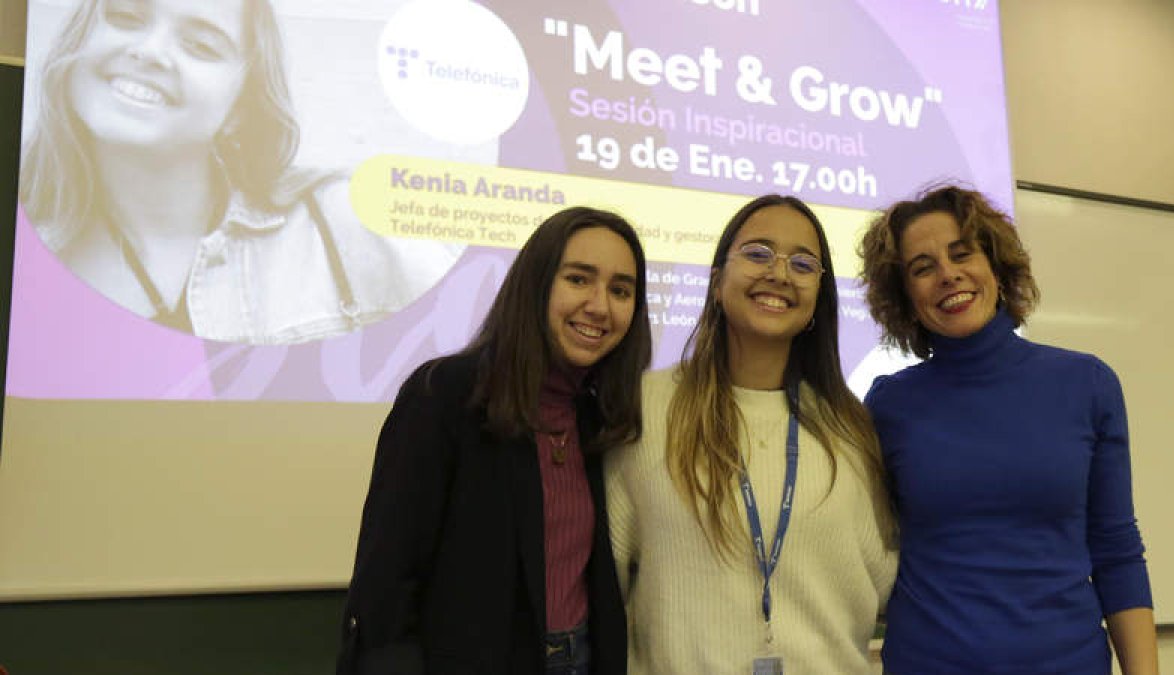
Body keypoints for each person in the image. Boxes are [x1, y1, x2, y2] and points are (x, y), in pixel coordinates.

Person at [19, 0, 461, 344]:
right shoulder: (27, 239)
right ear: (76, 48)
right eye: (126, 18)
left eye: (202, 46)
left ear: (241, 109)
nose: (149, 52)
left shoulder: (346, 222)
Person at [858, 184, 1158, 674]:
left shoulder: (1087, 384)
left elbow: (1116, 550)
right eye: (922, 267)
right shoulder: (888, 404)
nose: (948, 274)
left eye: (962, 254)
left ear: (995, 267)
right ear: (906, 298)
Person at [337, 206, 651, 674]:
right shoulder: (444, 394)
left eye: (621, 290)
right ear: (536, 284)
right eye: (579, 279)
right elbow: (388, 577)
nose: (600, 305)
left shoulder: (602, 417)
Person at [605, 195, 896, 674]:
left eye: (803, 264)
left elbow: (884, 583)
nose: (779, 274)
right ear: (717, 282)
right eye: (758, 253)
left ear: (818, 301)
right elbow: (601, 588)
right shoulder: (645, 409)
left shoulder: (852, 428)